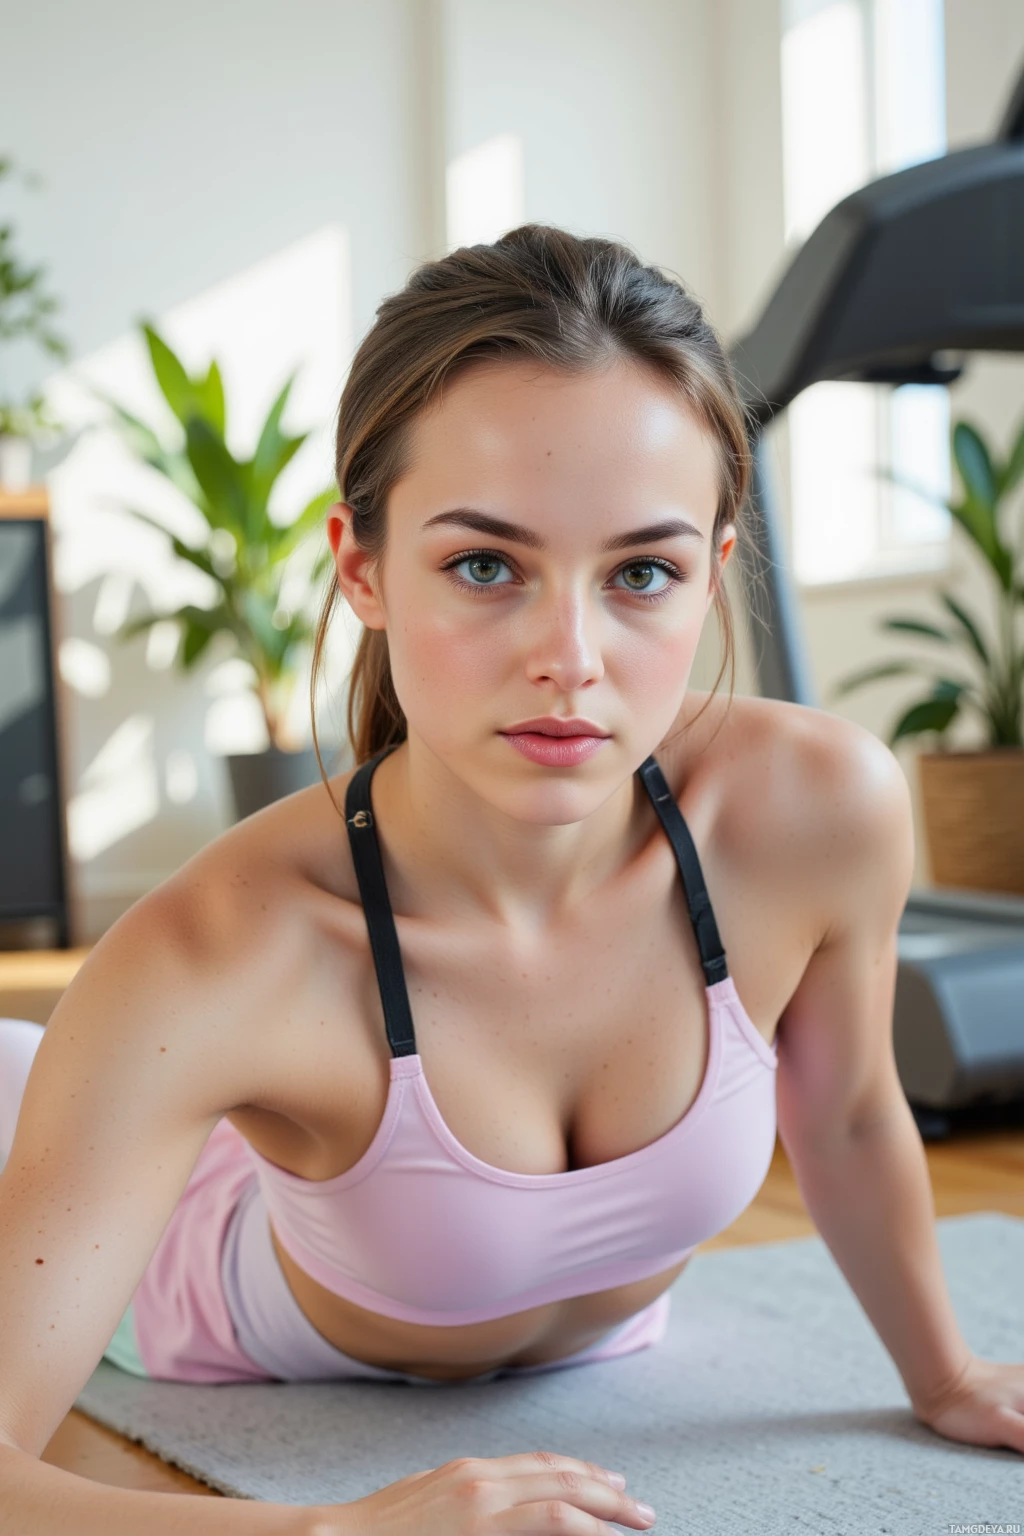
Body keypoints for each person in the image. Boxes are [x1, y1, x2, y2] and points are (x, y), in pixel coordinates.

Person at [1, 224, 1021, 1535]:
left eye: (641, 573)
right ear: (363, 569)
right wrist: (344, 1530)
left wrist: (941, 1373)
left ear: (713, 577)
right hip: (207, 1281)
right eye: (486, 566)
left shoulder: (820, 814)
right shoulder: (213, 957)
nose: (571, 657)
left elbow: (852, 1114)